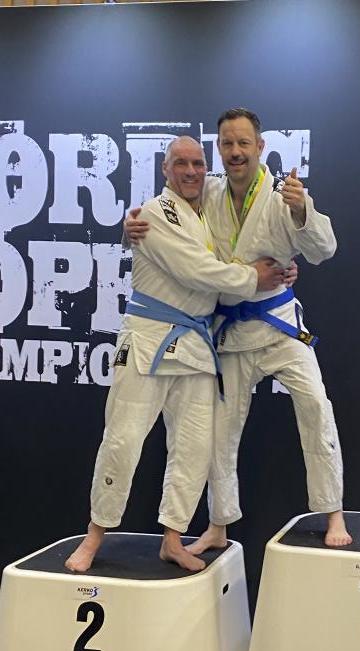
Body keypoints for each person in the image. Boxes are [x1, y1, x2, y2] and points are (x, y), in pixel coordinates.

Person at [125, 109, 352, 550]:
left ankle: (333, 510)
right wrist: (129, 227)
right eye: (227, 143)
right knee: (220, 433)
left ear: (260, 147)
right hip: (231, 332)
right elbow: (165, 216)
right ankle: (219, 524)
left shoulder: (283, 195)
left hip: (280, 326)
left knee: (315, 405)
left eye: (243, 143)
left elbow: (324, 249)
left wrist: (303, 210)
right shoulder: (208, 191)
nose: (235, 151)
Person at [65, 136, 285, 574]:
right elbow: (195, 270)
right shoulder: (152, 213)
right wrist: (251, 279)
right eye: (180, 163)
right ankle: (95, 533)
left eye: (198, 163)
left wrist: (281, 268)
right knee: (123, 439)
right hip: (149, 337)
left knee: (193, 447)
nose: (190, 171)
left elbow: (248, 236)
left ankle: (172, 538)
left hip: (197, 345)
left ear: (207, 168)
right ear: (165, 169)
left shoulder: (212, 209)